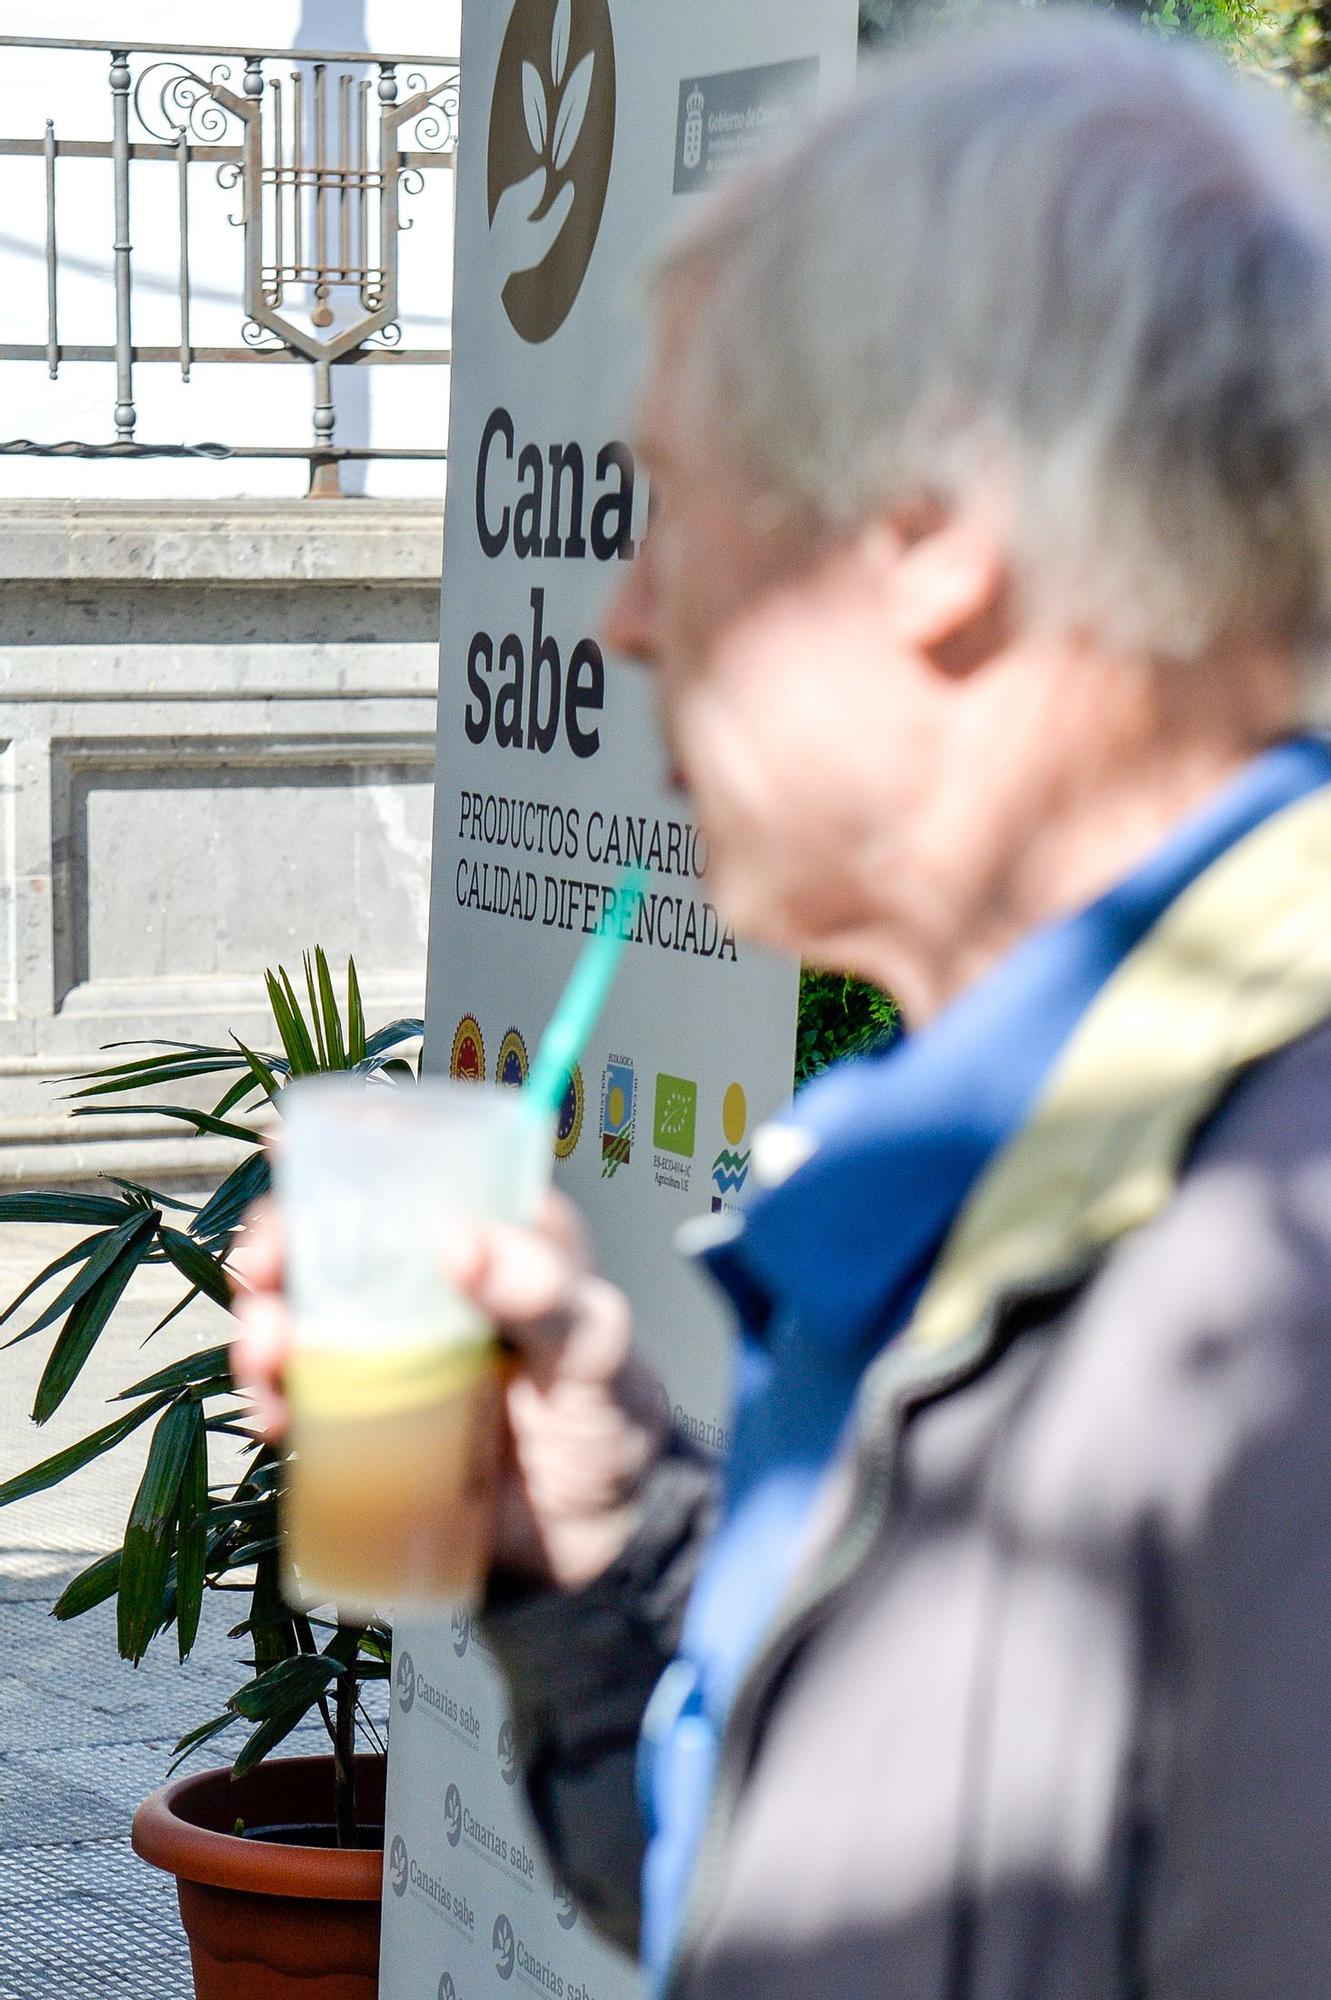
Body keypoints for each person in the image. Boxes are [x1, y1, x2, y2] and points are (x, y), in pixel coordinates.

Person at [232, 13, 1331, 1997]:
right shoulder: (1028, 1169)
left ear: (936, 534)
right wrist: (597, 1550)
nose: (621, 611)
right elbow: (836, 1904)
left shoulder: (1278, 1294)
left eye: (675, 499)